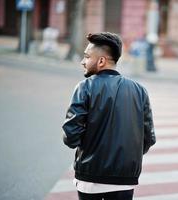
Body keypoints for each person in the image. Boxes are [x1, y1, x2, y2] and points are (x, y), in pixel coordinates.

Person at [62, 32, 156, 200]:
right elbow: (149, 138)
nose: (83, 61)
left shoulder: (85, 87)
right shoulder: (140, 90)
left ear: (101, 61)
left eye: (86, 57)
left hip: (90, 177)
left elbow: (71, 136)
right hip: (126, 179)